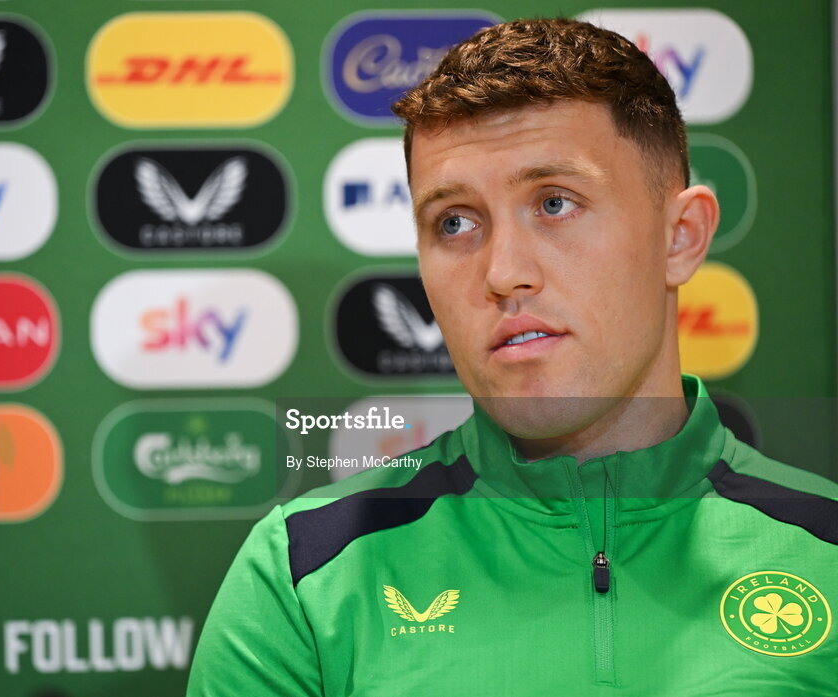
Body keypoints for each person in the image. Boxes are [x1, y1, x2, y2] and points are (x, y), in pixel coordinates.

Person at [187, 18, 838, 695]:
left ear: (680, 237)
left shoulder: (827, 553)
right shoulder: (304, 576)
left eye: (554, 203)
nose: (502, 271)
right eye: (455, 222)